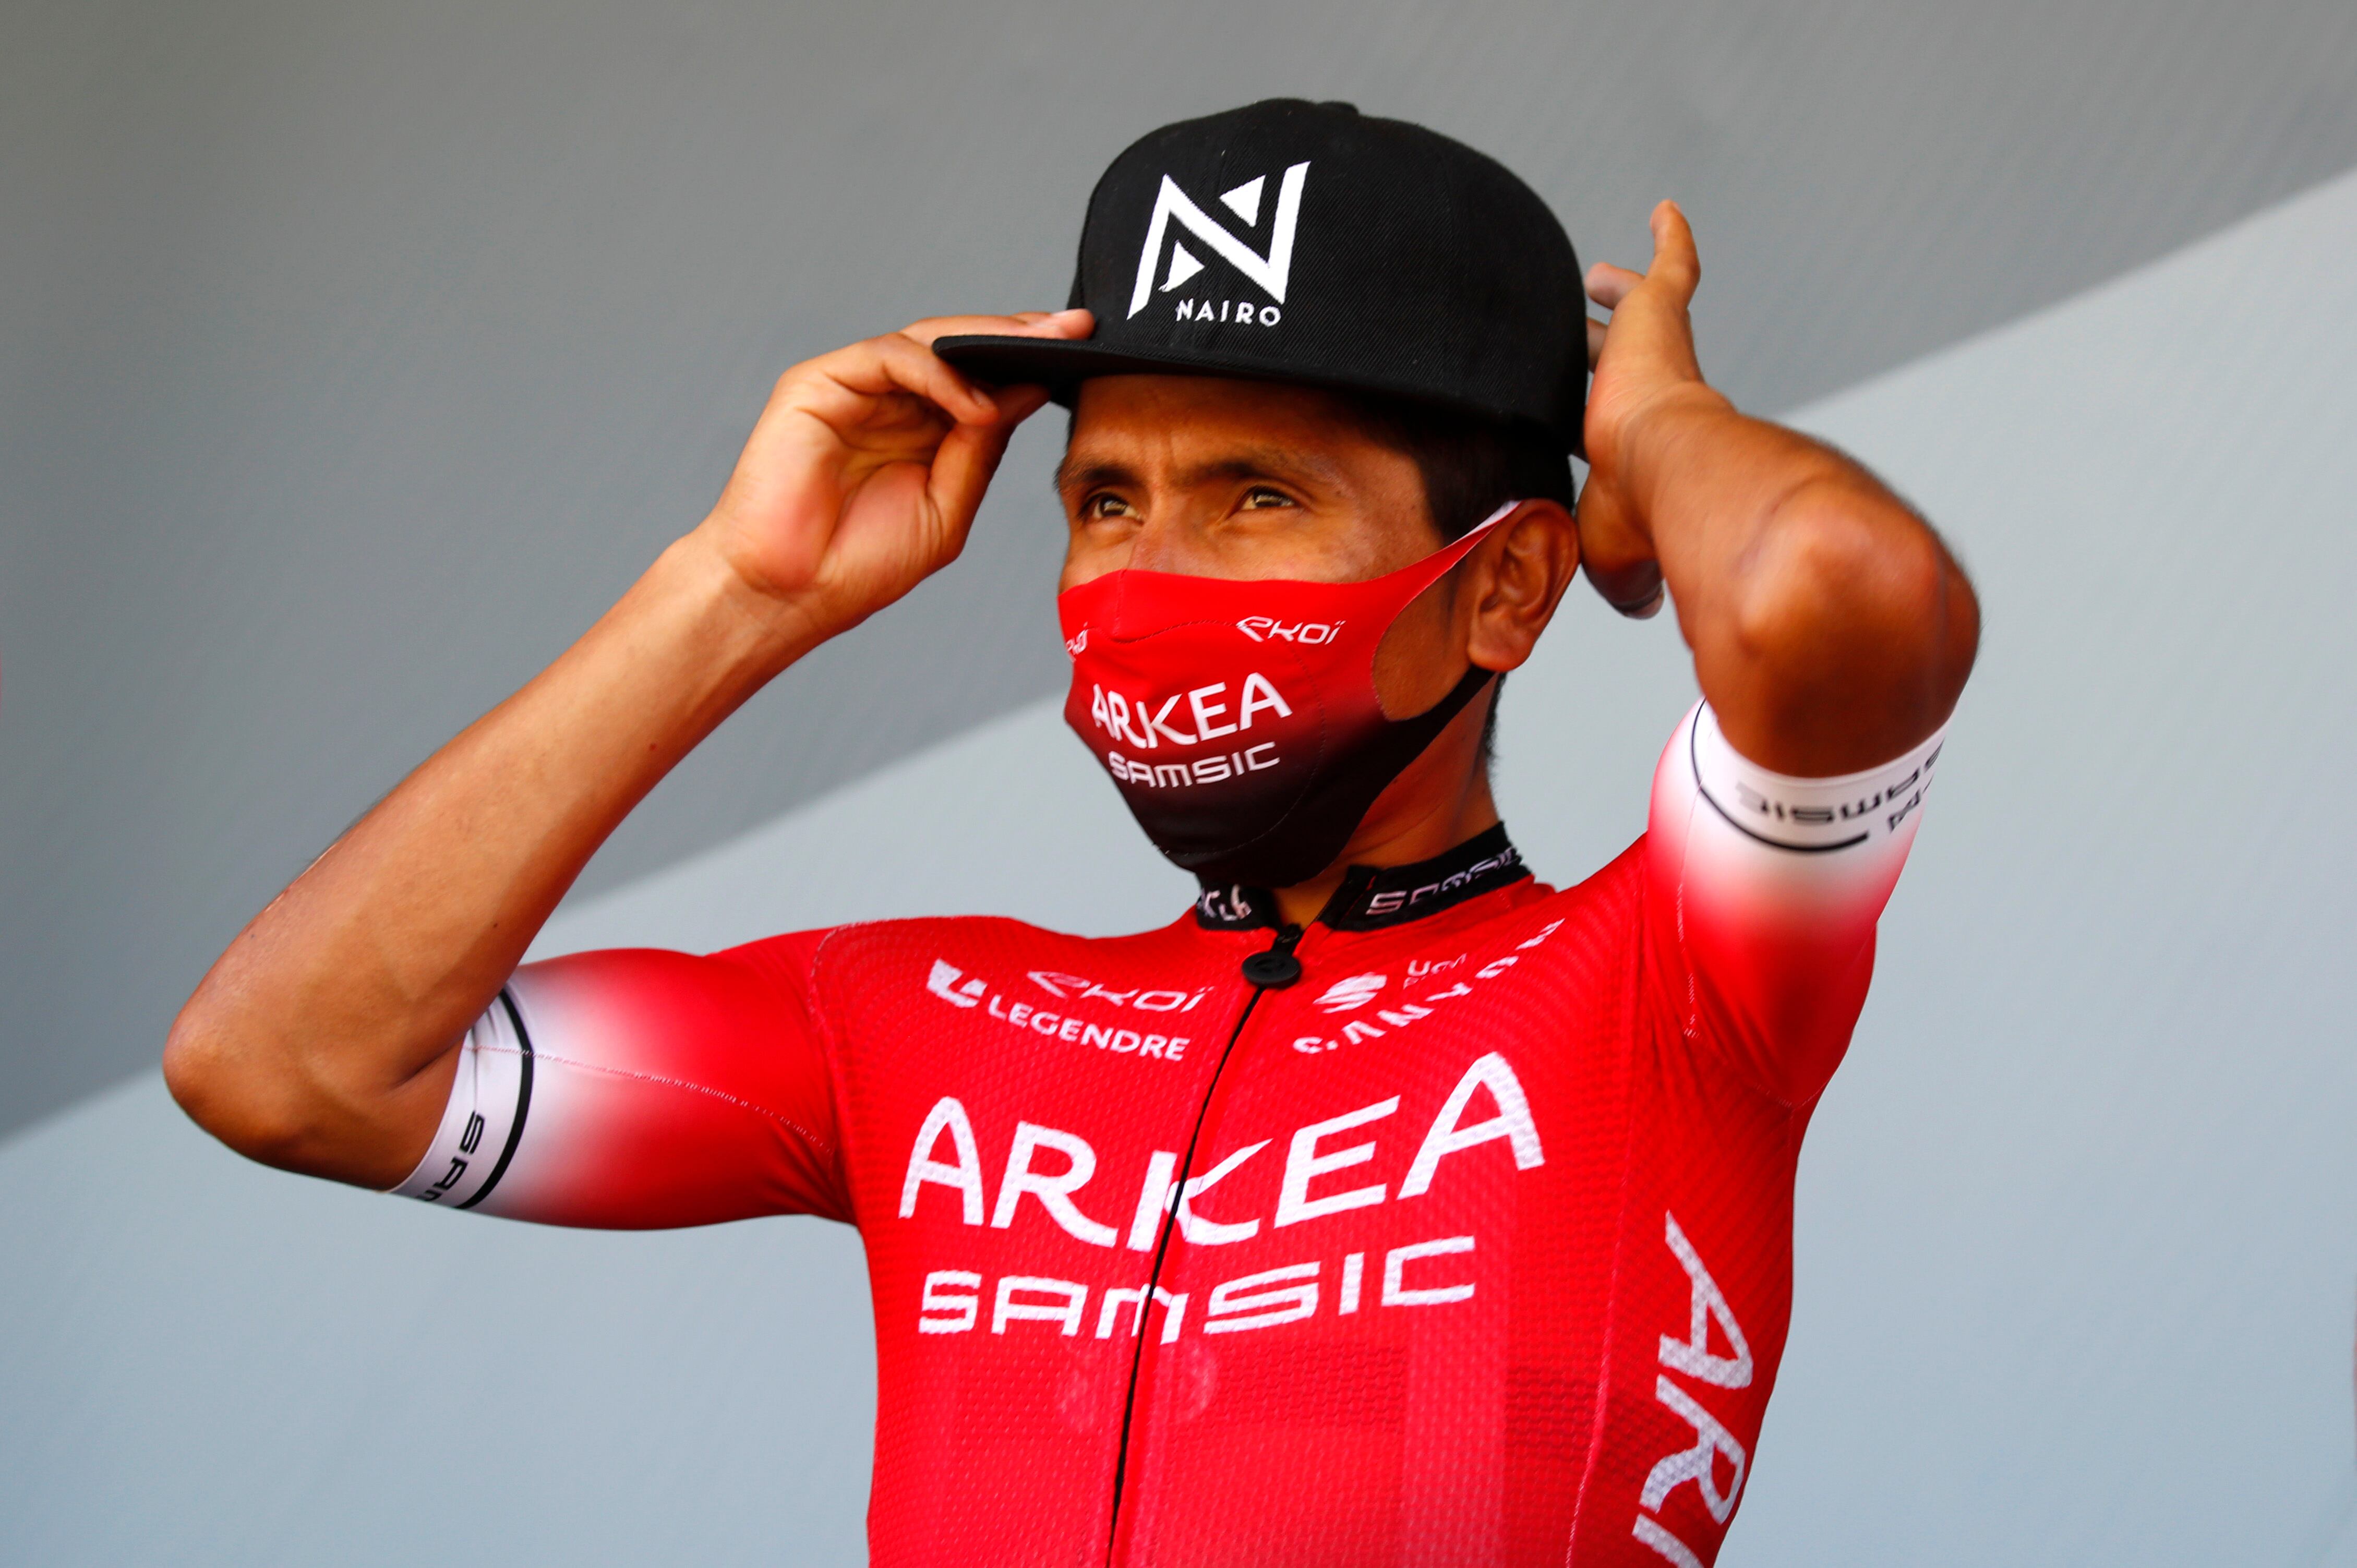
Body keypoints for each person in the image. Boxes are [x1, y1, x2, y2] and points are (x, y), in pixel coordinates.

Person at [163, 100, 1977, 1566]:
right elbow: (289, 1066)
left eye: (1257, 496)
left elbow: (1844, 592)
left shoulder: (1677, 981)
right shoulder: (921, 1021)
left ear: (1502, 589)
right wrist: (735, 591)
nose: (1152, 570)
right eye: (1107, 498)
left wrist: (1653, 430)